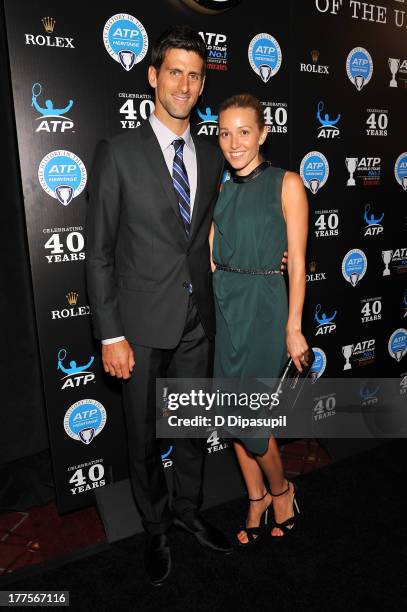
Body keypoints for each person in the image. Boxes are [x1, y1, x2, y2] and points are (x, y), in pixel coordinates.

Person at [86, 25, 233, 587]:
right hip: (140, 328)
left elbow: (212, 234)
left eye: (195, 75)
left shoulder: (210, 153)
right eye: (175, 71)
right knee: (145, 436)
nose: (186, 84)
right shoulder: (118, 153)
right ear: (153, 77)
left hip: (199, 320)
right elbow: (97, 253)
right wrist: (109, 334)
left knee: (193, 428)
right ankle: (155, 529)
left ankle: (190, 512)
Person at [209, 94, 309, 545]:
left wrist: (293, 326)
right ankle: (256, 497)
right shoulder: (221, 186)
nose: (233, 143)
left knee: (253, 420)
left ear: (263, 133)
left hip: (266, 304)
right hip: (226, 302)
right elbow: (209, 248)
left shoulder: (287, 183)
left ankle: (282, 490)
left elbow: (300, 262)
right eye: (225, 133)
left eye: (244, 132)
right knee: (230, 413)